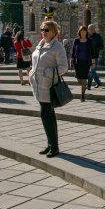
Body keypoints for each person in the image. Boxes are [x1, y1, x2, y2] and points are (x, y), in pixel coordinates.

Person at [29, 21, 68, 158]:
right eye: (41, 29)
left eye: (46, 29)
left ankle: (54, 147)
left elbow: (63, 68)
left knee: (46, 115)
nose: (43, 32)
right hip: (39, 86)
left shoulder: (57, 47)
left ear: (53, 31)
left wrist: (47, 73)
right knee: (48, 116)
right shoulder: (41, 44)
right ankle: (51, 144)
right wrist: (31, 73)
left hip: (48, 86)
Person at [72, 25, 92, 102]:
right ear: (79, 32)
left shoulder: (89, 41)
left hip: (86, 62)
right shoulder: (76, 40)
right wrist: (71, 58)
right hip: (77, 62)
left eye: (84, 31)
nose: (83, 32)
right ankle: (83, 86)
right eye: (81, 31)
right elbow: (73, 51)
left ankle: (82, 95)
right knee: (79, 79)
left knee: (84, 79)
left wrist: (92, 61)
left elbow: (92, 52)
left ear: (86, 32)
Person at [86, 24, 104, 90]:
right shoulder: (86, 36)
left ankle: (89, 85)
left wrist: (95, 49)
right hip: (87, 57)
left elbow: (101, 46)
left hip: (94, 56)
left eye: (92, 28)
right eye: (89, 28)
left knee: (92, 70)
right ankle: (98, 83)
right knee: (92, 71)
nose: (90, 30)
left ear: (94, 29)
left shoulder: (97, 36)